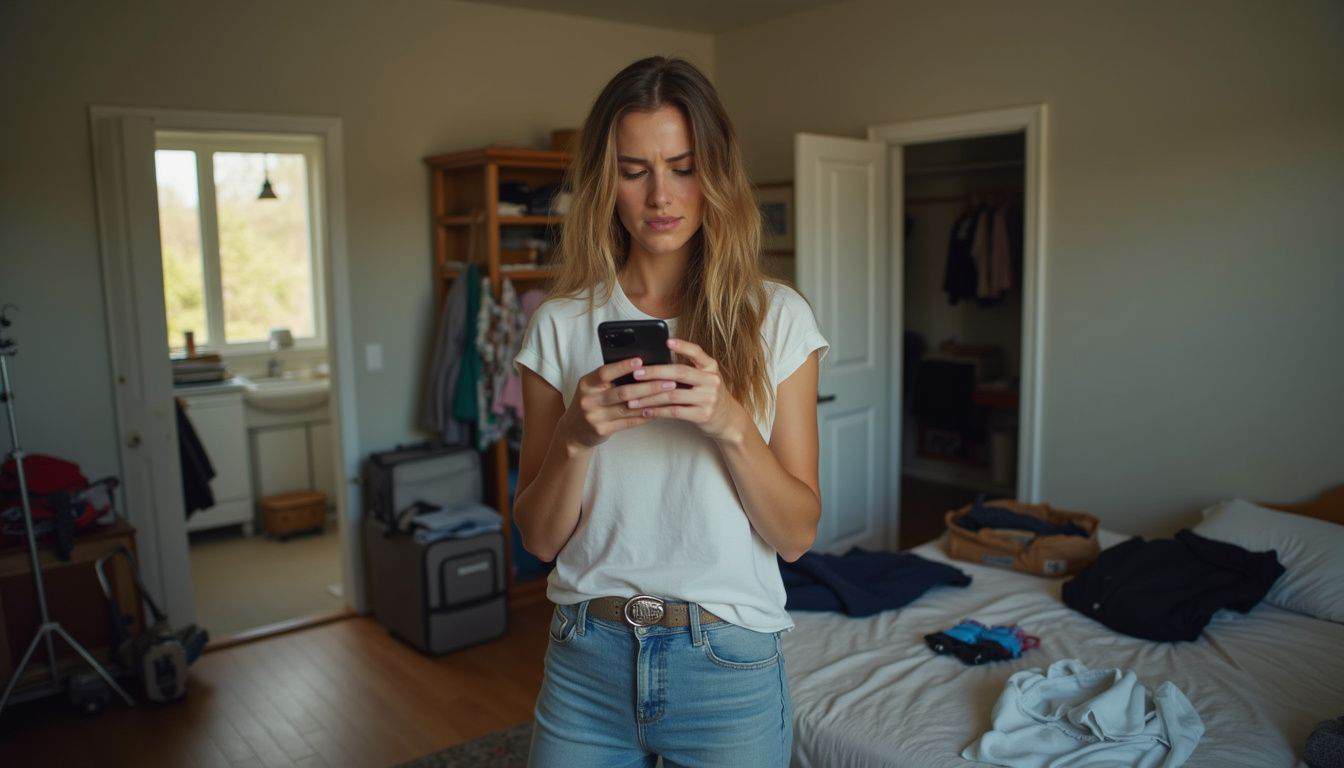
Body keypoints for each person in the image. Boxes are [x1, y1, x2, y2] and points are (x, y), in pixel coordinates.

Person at [513, 55, 828, 768]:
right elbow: (537, 540)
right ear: (606, 181)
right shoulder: (559, 326)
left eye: (683, 166)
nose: (661, 195)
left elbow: (796, 535)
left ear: (714, 173)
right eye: (634, 170)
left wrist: (730, 424)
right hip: (585, 662)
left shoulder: (776, 319)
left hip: (726, 668)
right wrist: (573, 439)